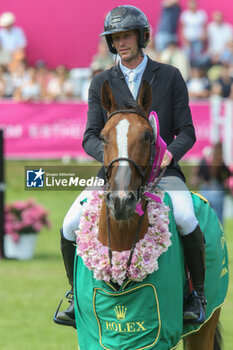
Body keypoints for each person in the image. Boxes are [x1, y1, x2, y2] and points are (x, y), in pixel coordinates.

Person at [55, 5, 206, 327]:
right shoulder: (101, 82)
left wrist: (171, 153)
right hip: (115, 174)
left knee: (184, 216)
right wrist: (113, 158)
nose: (120, 42)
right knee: (69, 224)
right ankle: (72, 294)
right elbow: (90, 136)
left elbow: (187, 131)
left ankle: (195, 294)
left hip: (162, 172)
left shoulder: (169, 76)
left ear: (142, 37)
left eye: (126, 36)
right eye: (115, 38)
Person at [191, 143, 232, 225]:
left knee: (205, 218)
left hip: (205, 190)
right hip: (218, 191)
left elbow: (199, 174)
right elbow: (228, 175)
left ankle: (206, 237)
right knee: (219, 218)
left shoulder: (204, 161)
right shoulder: (221, 161)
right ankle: (219, 236)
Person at [180, 0, 208, 65]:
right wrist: (184, 39)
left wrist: (204, 35)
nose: (192, 5)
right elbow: (181, 28)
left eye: (193, 4)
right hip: (188, 39)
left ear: (196, 4)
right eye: (190, 4)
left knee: (197, 57)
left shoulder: (201, 14)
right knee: (186, 57)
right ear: (188, 5)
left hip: (198, 40)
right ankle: (187, 73)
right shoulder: (185, 14)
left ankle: (196, 73)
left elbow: (205, 27)